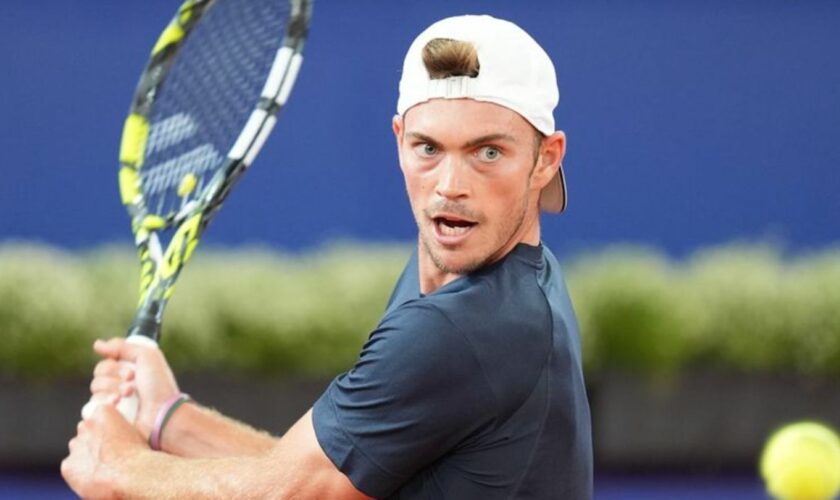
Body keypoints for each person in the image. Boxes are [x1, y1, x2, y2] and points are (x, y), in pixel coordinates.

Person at [62, 14, 593, 499]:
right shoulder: (493, 282)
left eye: (488, 152)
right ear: (399, 139)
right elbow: (330, 469)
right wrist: (169, 418)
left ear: (546, 159)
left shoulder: (466, 328)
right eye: (428, 149)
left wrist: (117, 467)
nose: (449, 187)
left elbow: (287, 493)